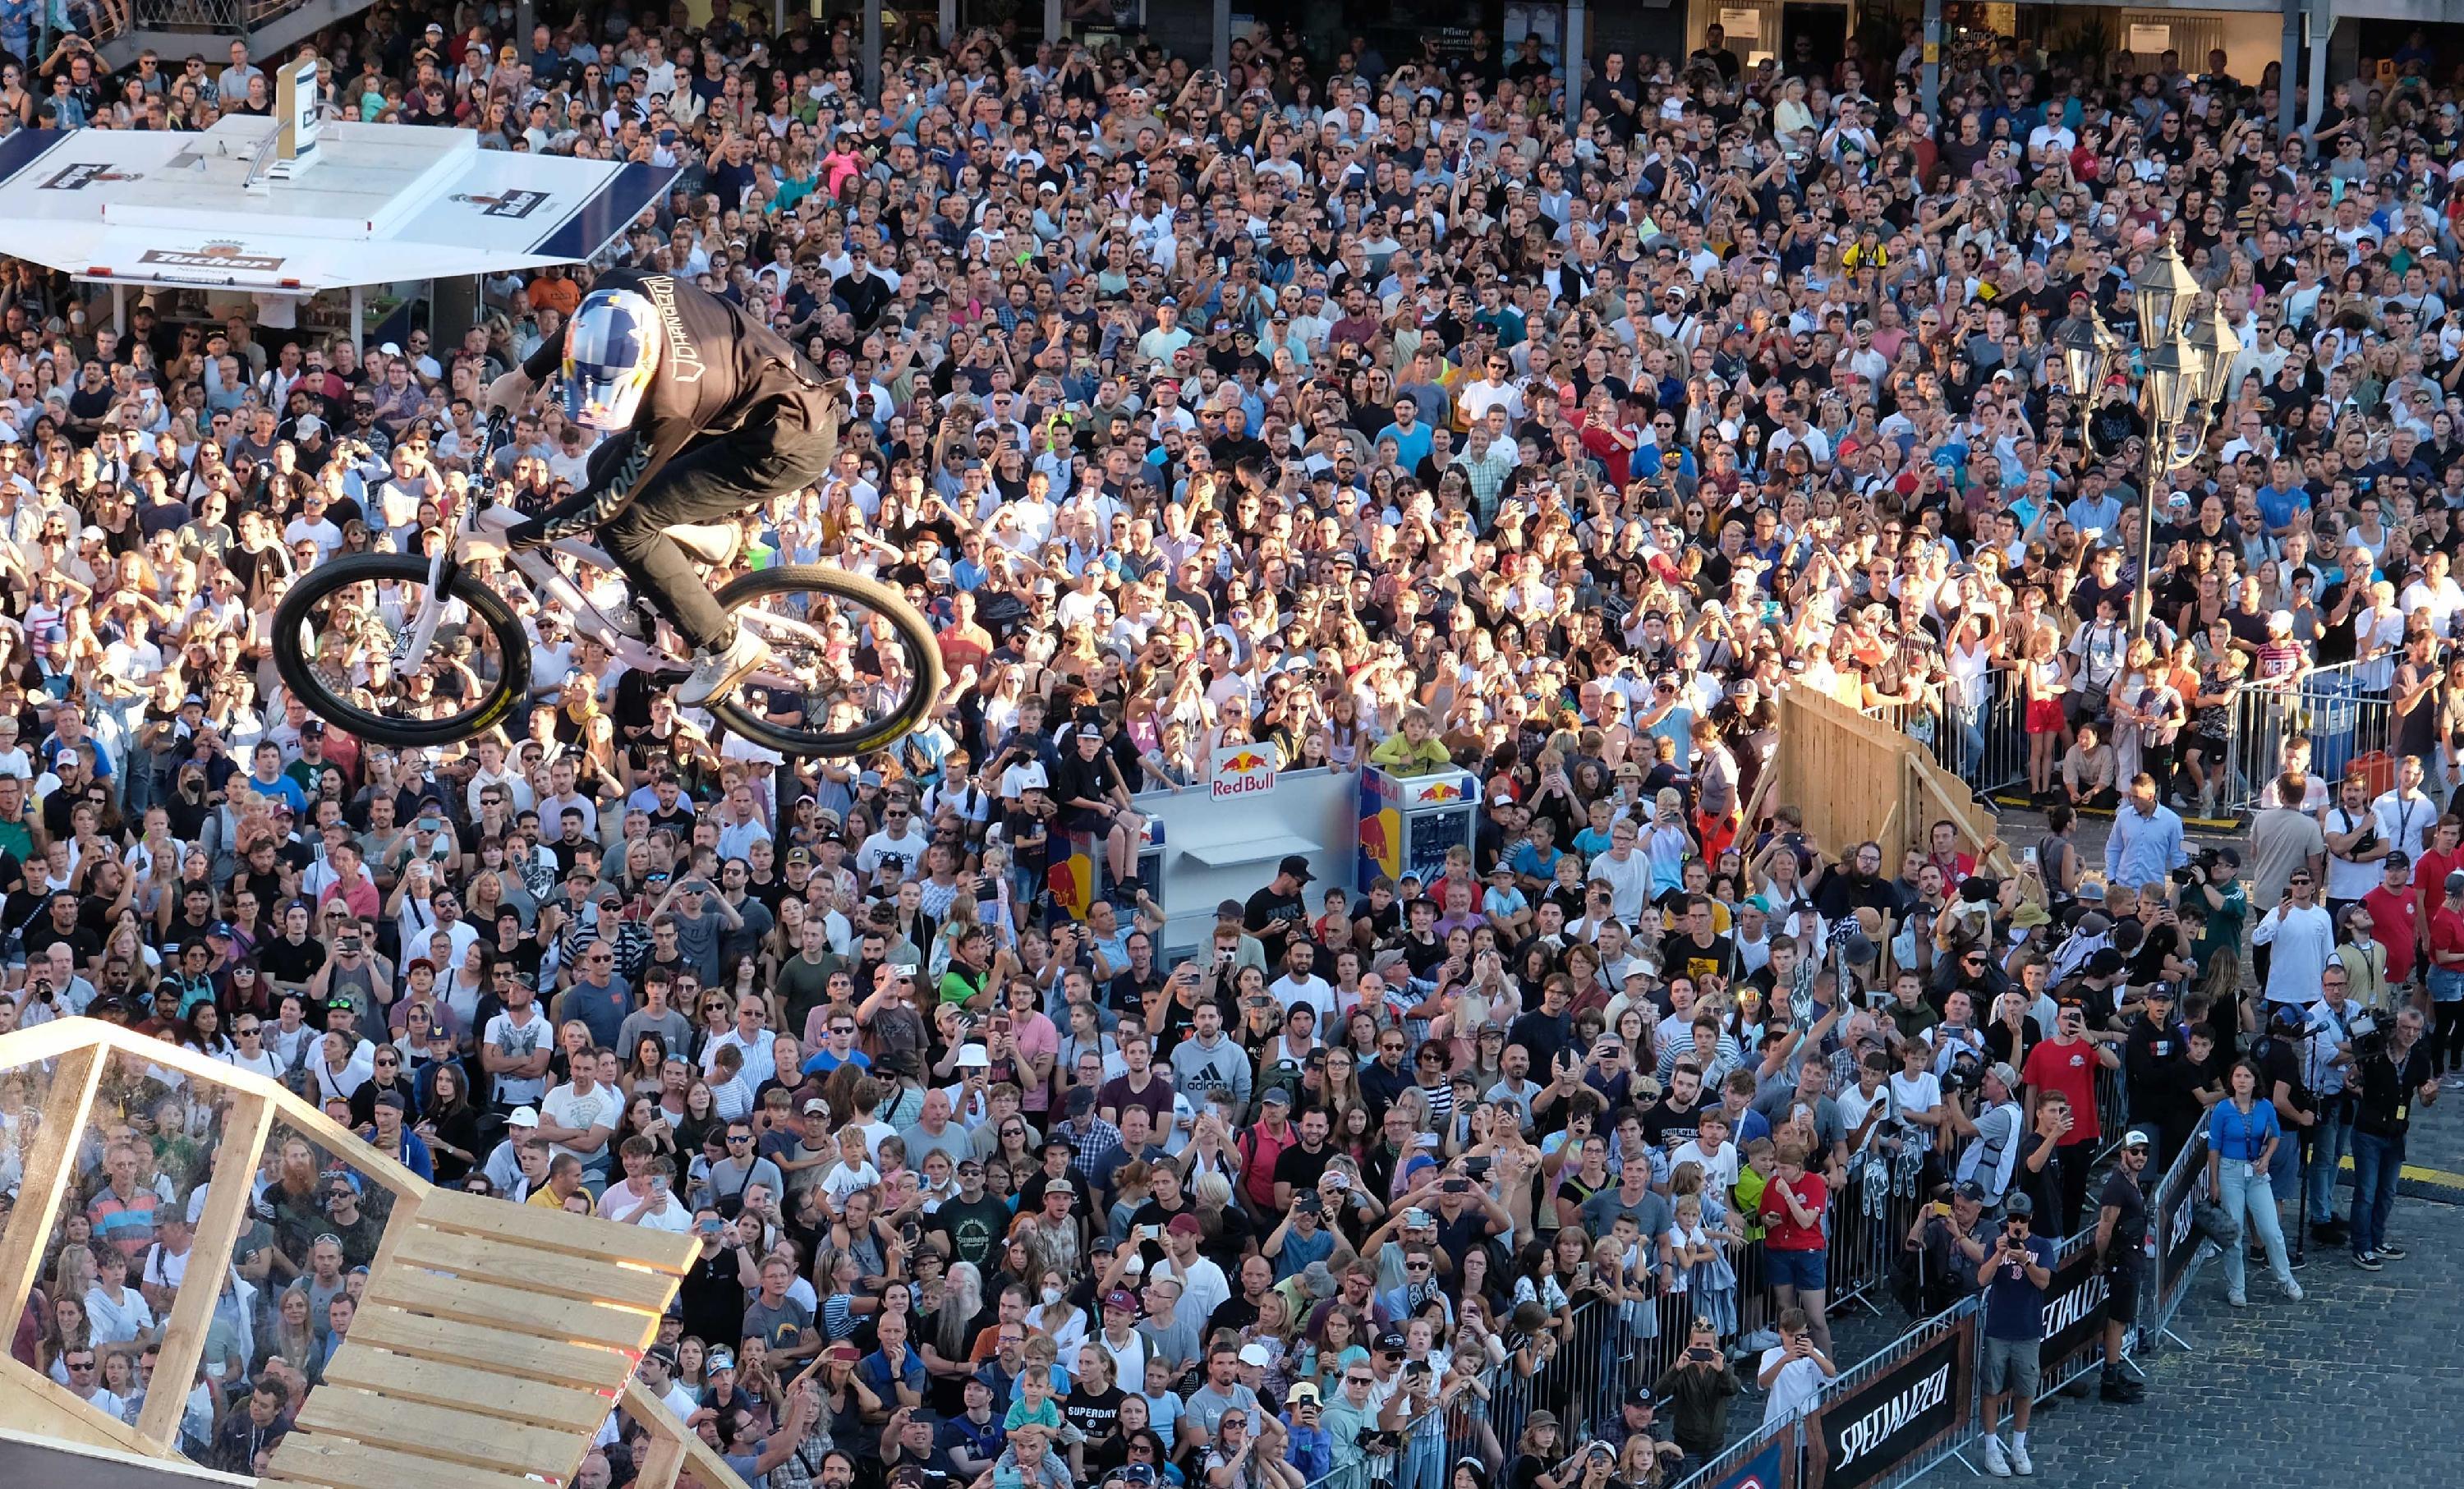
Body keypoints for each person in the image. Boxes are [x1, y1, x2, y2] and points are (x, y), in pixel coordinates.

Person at [483, 271, 845, 705]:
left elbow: (604, 505)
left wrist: (507, 541)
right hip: (761, 399)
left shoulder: (674, 401)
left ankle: (726, 645)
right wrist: (521, 377)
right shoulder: (623, 287)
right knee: (601, 462)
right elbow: (585, 320)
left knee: (624, 524)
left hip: (784, 446)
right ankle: (668, 577)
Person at [2204, 1059, 2304, 1307]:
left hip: (2257, 1174)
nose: (2242, 1080)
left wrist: (2266, 1158)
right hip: (2230, 1172)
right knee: (2234, 1234)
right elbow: (2214, 1147)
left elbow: (2276, 1135)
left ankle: (2286, 1279)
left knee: (2271, 1230)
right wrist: (2214, 1182)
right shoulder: (2223, 1110)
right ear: (2231, 1080)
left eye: (2247, 1076)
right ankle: (2236, 1287)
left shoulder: (2265, 1107)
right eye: (2238, 1076)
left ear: (2254, 1081)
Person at [2348, 1008, 2441, 1270]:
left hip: (2397, 1133)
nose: (2410, 1034)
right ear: (2395, 1027)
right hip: (2368, 1131)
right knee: (2366, 1192)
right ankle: (2361, 1246)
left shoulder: (2420, 1057)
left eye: (2416, 1030)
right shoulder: (2376, 1050)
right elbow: (2352, 1059)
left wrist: (2431, 1094)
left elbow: (2424, 1099)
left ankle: (2376, 1240)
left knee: (2387, 1192)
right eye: (2405, 1028)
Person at [1974, 1192, 2053, 1479]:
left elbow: (2044, 1282)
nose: (2017, 1223)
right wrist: (1999, 1254)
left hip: (2027, 1330)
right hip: (1998, 1329)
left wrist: (2025, 1261)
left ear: (2030, 1218)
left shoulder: (2041, 1246)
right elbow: (1982, 1279)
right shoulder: (1995, 1244)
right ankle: (1991, 1448)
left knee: (2025, 1389)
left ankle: (2019, 1446)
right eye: (2012, 1218)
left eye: (2021, 1218)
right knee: (1991, 1389)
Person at [2089, 1131, 2151, 1404]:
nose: (2140, 1157)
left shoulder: (2131, 1182)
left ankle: (2113, 1371)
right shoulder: (2117, 1186)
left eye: (2144, 1152)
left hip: (2131, 1259)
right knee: (2117, 1321)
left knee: (2121, 1320)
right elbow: (2104, 1229)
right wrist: (2102, 1259)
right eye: (2134, 1151)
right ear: (2123, 1153)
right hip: (2122, 1262)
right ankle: (2110, 1380)